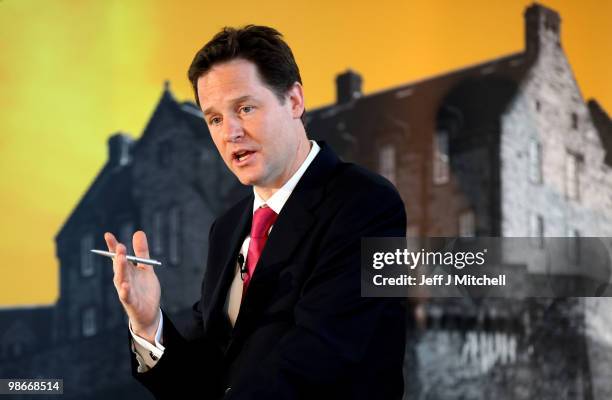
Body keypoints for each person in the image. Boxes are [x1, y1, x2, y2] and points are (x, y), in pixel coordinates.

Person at [104, 25, 407, 399]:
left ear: (294, 100)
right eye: (214, 119)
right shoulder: (227, 229)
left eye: (244, 108)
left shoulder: (368, 203)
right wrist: (149, 324)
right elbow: (202, 381)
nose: (230, 132)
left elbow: (319, 360)